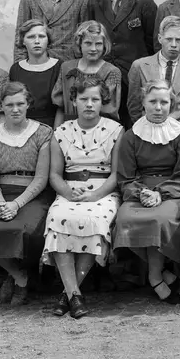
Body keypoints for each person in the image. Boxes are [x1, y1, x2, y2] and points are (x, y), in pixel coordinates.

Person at [43, 74, 123, 320]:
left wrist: (96, 194)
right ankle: (74, 295)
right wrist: (68, 192)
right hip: (70, 190)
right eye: (83, 98)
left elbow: (116, 174)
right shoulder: (61, 132)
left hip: (103, 191)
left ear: (103, 102)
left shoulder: (116, 130)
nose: (89, 104)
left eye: (95, 99)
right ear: (74, 101)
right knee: (57, 217)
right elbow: (55, 175)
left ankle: (68, 293)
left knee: (95, 221)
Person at [115, 80, 180, 304]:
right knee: (124, 219)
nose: (158, 107)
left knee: (160, 219)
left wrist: (161, 193)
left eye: (164, 102)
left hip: (173, 191)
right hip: (140, 191)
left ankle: (154, 276)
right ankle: (159, 272)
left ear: (172, 104)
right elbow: (125, 177)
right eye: (153, 102)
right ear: (143, 103)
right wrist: (140, 192)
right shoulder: (131, 136)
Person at [0, 82, 54, 306]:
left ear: (28, 104)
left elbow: (41, 178)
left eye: (20, 104)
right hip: (1, 194)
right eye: (9, 105)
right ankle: (19, 276)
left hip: (32, 195)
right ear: (0, 107)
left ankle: (18, 276)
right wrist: (0, 204)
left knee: (26, 230)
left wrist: (16, 204)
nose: (15, 109)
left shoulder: (43, 133)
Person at [85, 0, 158, 125]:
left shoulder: (143, 1)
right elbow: (87, 38)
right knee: (104, 120)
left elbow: (152, 41)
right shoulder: (94, 2)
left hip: (133, 74)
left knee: (132, 119)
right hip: (103, 72)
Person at [127, 15, 180, 125]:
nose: (174, 45)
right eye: (169, 39)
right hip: (148, 130)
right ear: (160, 38)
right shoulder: (139, 66)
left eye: (178, 40)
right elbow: (134, 105)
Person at [51, 20, 123, 125]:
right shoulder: (66, 67)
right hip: (68, 128)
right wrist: (56, 132)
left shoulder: (111, 72)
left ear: (104, 45)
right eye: (88, 43)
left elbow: (109, 112)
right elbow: (60, 107)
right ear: (79, 43)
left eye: (98, 44)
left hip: (98, 128)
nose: (93, 49)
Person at [8, 19, 62, 128]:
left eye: (41, 36)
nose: (37, 41)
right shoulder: (15, 69)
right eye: (31, 37)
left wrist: (56, 135)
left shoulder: (60, 67)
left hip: (52, 127)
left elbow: (62, 107)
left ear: (48, 40)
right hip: (22, 127)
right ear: (23, 41)